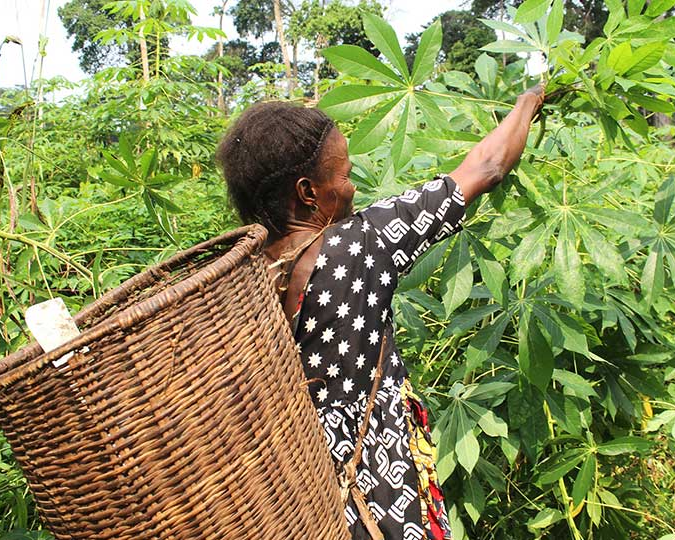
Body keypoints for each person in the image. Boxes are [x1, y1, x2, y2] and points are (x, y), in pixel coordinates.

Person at [216, 85, 545, 540]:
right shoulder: (359, 244)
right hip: (378, 483)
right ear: (308, 192)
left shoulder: (239, 276)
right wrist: (530, 100)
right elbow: (487, 167)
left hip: (295, 493)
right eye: (345, 176)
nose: (353, 190)